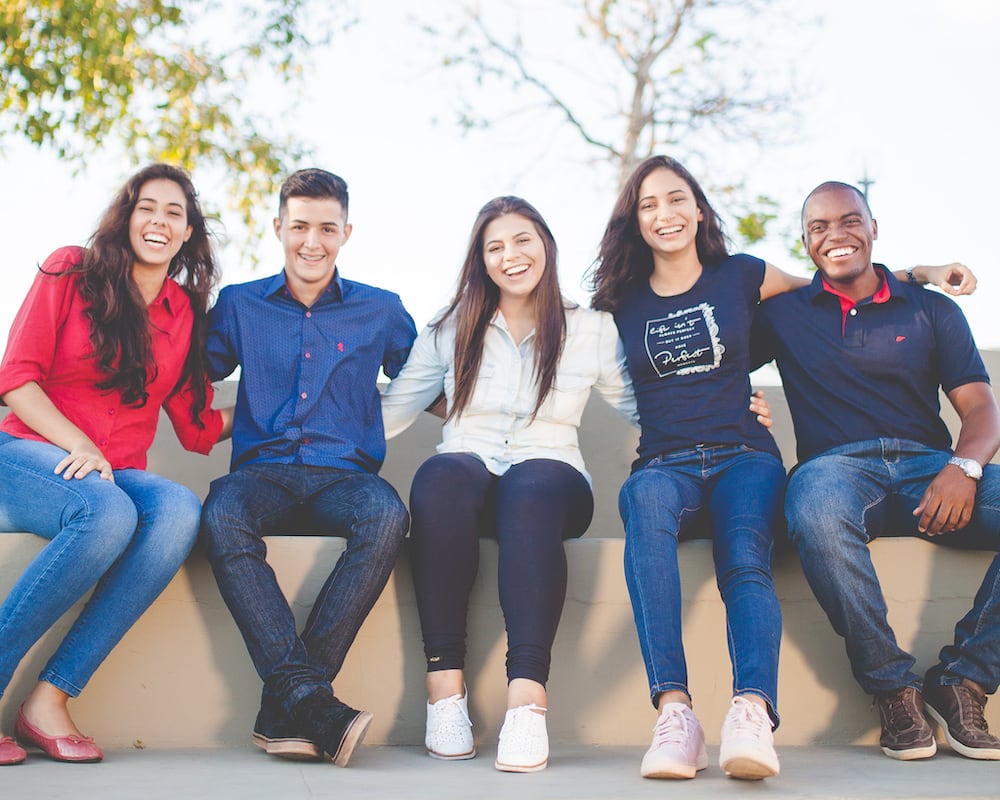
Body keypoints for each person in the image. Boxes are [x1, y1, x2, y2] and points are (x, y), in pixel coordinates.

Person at [588, 155, 971, 781]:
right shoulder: (618, 302)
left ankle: (752, 712)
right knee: (644, 509)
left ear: (699, 209)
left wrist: (920, 272)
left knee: (744, 555)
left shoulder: (743, 276)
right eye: (650, 204)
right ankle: (675, 713)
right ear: (633, 219)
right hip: (664, 462)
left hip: (745, 455)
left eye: (678, 198)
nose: (666, 214)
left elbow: (837, 284)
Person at [379, 196, 658, 773]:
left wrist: (728, 412)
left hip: (551, 477)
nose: (511, 255)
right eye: (495, 246)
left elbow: (644, 406)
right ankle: (445, 692)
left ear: (546, 245)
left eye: (522, 240)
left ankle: (527, 704)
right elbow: (394, 408)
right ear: (481, 261)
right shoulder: (450, 328)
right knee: (439, 477)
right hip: (468, 475)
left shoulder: (590, 330)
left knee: (529, 491)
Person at [752, 180, 1000, 762]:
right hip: (834, 471)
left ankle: (963, 680)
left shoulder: (931, 308)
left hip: (932, 470)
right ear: (806, 243)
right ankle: (894, 690)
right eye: (818, 228)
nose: (835, 235)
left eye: (849, 221)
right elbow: (711, 334)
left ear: (873, 227)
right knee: (812, 509)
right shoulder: (783, 315)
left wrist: (964, 468)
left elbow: (981, 408)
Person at [0, 164, 230, 765]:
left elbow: (197, 425)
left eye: (174, 213)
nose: (159, 220)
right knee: (106, 515)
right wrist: (77, 443)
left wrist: (291, 408)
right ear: (127, 217)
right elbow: (16, 380)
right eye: (146, 207)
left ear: (187, 233)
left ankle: (48, 700)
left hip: (113, 471)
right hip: (28, 450)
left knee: (179, 510)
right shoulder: (69, 269)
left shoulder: (183, 313)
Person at [200, 168, 416, 768]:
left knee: (387, 515)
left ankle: (290, 705)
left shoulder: (382, 309)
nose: (312, 242)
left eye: (327, 228)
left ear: (347, 232)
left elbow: (435, 377)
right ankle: (313, 704)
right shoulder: (240, 304)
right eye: (299, 227)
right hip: (260, 474)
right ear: (278, 228)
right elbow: (187, 372)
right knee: (220, 514)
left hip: (345, 477)